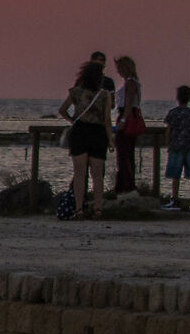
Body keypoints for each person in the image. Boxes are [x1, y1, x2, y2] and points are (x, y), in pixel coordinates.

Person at [58, 60, 113, 219]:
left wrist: (72, 120)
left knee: (80, 174)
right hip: (98, 133)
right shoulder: (104, 95)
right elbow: (107, 120)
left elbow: (62, 110)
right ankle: (98, 209)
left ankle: (79, 209)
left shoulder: (76, 92)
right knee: (97, 175)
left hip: (79, 131)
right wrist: (110, 139)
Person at [162, 85, 190, 211]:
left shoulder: (173, 113)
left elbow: (168, 131)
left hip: (176, 147)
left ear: (177, 97)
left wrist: (168, 144)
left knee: (175, 175)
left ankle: (175, 199)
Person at [111, 56, 145, 195]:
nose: (118, 71)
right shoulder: (131, 82)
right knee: (127, 153)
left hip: (126, 116)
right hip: (127, 115)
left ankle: (126, 186)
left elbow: (129, 103)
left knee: (124, 154)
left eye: (119, 68)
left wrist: (123, 121)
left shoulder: (131, 83)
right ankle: (126, 185)